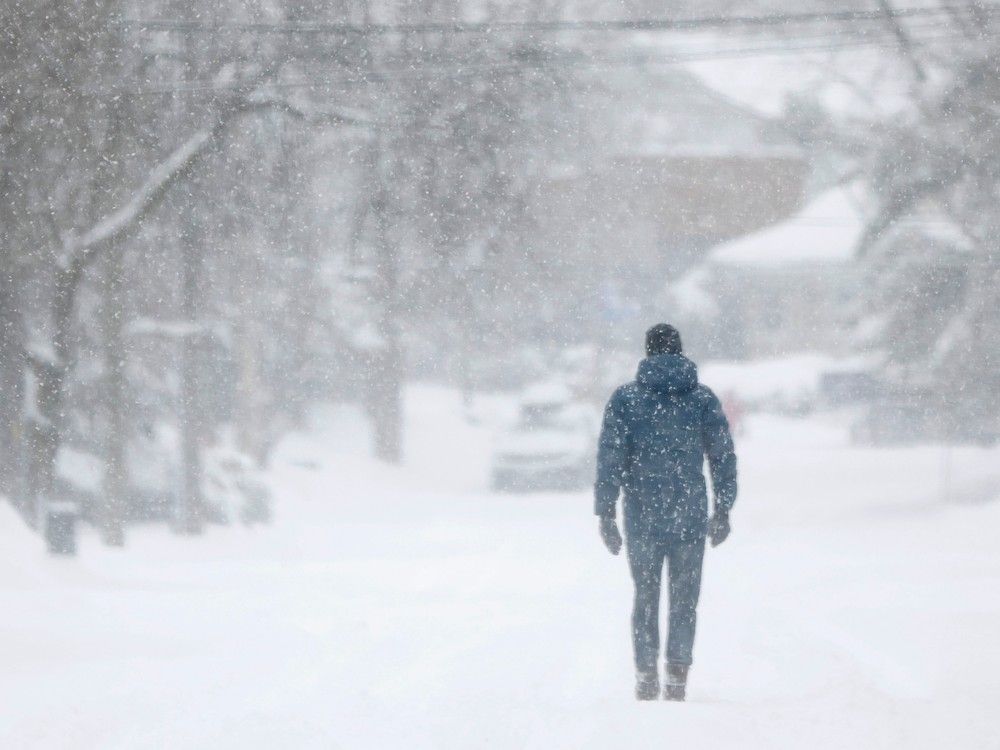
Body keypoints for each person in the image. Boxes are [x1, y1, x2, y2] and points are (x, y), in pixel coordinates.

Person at [595, 324, 738, 701]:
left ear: (647, 353)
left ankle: (645, 674)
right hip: (689, 512)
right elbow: (722, 455)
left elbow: (610, 458)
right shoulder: (701, 400)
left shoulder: (626, 401)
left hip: (642, 513)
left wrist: (606, 513)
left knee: (645, 595)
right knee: (685, 598)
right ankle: (677, 675)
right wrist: (723, 508)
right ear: (679, 352)